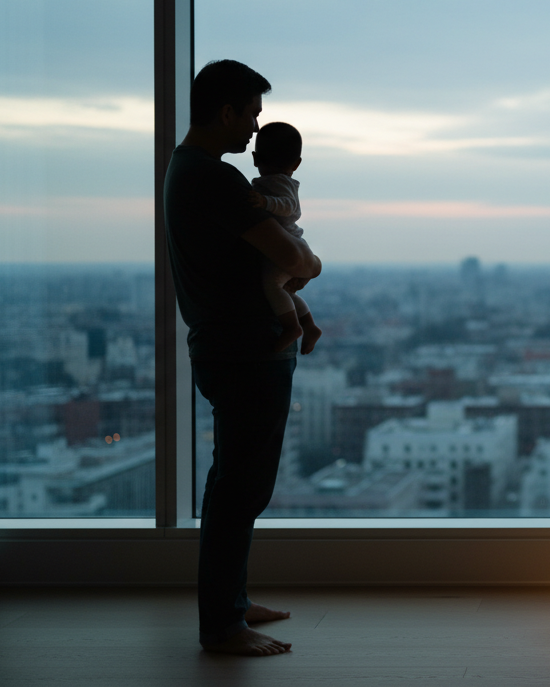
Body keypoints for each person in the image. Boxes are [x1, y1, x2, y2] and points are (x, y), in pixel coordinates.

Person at [164, 59, 322, 656]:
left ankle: (231, 602)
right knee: (240, 487)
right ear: (226, 111)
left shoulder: (187, 171)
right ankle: (223, 625)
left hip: (226, 345)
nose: (256, 129)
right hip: (246, 352)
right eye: (252, 115)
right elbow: (295, 258)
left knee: (236, 480)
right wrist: (308, 267)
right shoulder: (216, 180)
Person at [246, 121, 323, 354]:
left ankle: (292, 328)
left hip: (287, 245)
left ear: (255, 158)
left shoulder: (277, 182)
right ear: (297, 164)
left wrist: (265, 202)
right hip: (291, 246)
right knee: (284, 292)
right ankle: (308, 325)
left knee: (272, 286)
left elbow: (290, 207)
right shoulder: (279, 180)